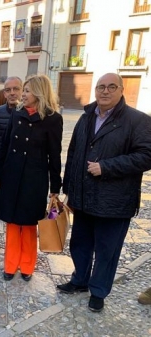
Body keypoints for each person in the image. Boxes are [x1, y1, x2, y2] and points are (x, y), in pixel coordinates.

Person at [58, 73, 151, 312]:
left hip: (114, 201)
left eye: (111, 87)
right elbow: (73, 153)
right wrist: (68, 189)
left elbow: (146, 156)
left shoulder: (137, 120)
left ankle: (98, 291)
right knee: (80, 244)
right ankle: (79, 280)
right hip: (83, 198)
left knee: (107, 250)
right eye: (100, 87)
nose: (105, 91)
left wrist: (107, 167)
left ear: (121, 90)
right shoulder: (86, 117)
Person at [0, 74, 62, 282]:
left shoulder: (52, 119)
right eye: (23, 91)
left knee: (30, 224)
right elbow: (4, 145)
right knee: (12, 223)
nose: (22, 95)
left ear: (39, 92)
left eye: (27, 91)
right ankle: (10, 265)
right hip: (12, 176)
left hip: (35, 180)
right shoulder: (17, 114)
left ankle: (27, 266)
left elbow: (54, 154)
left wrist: (55, 186)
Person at [0, 78, 23, 257]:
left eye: (16, 89)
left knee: (18, 208)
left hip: (21, 171)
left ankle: (15, 243)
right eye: (8, 90)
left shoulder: (29, 114)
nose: (12, 93)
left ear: (23, 90)